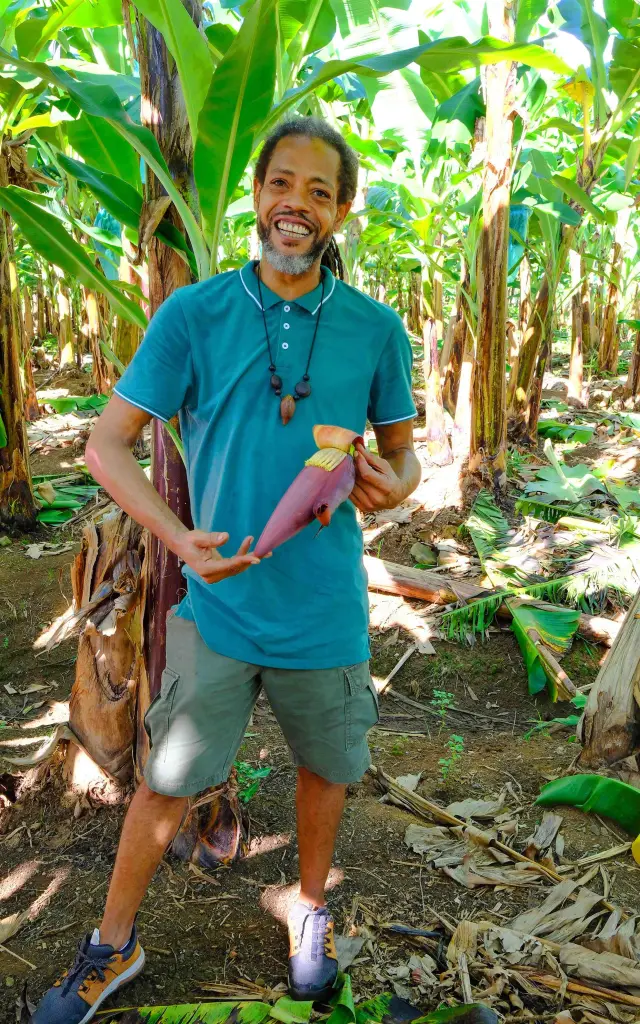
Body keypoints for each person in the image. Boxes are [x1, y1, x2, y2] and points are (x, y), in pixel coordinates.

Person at [33, 116, 420, 1024]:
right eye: (282, 183)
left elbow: (408, 461)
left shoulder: (375, 329)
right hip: (217, 603)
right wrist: (176, 535)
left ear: (342, 214)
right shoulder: (195, 314)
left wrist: (389, 486)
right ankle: (111, 944)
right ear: (256, 195)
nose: (298, 205)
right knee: (168, 780)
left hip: (323, 609)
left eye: (320, 192)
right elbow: (106, 446)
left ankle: (310, 916)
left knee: (325, 771)